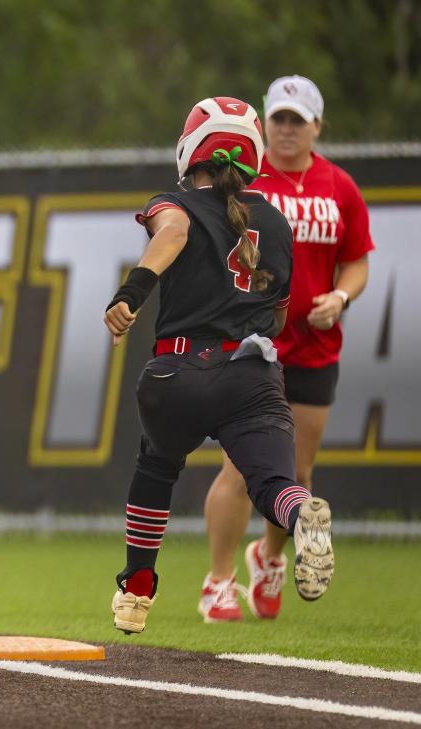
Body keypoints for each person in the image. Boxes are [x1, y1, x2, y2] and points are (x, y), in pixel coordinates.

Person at [106, 97, 334, 635]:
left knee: (156, 466)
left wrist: (131, 294)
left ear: (191, 149)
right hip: (252, 374)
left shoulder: (175, 202)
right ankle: (302, 516)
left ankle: (137, 589)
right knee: (274, 483)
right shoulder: (276, 222)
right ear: (253, 153)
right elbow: (277, 315)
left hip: (178, 372)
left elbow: (174, 233)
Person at [200, 76, 373, 623]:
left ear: (317, 126)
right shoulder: (245, 184)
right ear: (264, 124)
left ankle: (268, 557)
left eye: (298, 119)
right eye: (279, 118)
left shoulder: (339, 186)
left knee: (296, 474)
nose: (287, 128)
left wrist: (342, 296)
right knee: (238, 465)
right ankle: (220, 580)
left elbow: (357, 259)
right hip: (253, 344)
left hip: (316, 346)